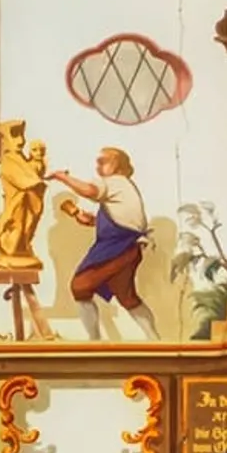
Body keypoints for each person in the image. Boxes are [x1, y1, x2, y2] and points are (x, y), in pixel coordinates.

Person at [51, 145, 154, 338]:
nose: (98, 164)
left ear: (119, 166)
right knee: (127, 297)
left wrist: (62, 177)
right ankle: (154, 339)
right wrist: (93, 221)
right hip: (128, 248)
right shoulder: (124, 187)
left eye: (104, 161)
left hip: (117, 248)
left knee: (80, 287)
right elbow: (123, 218)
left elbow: (90, 191)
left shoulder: (115, 182)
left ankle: (94, 341)